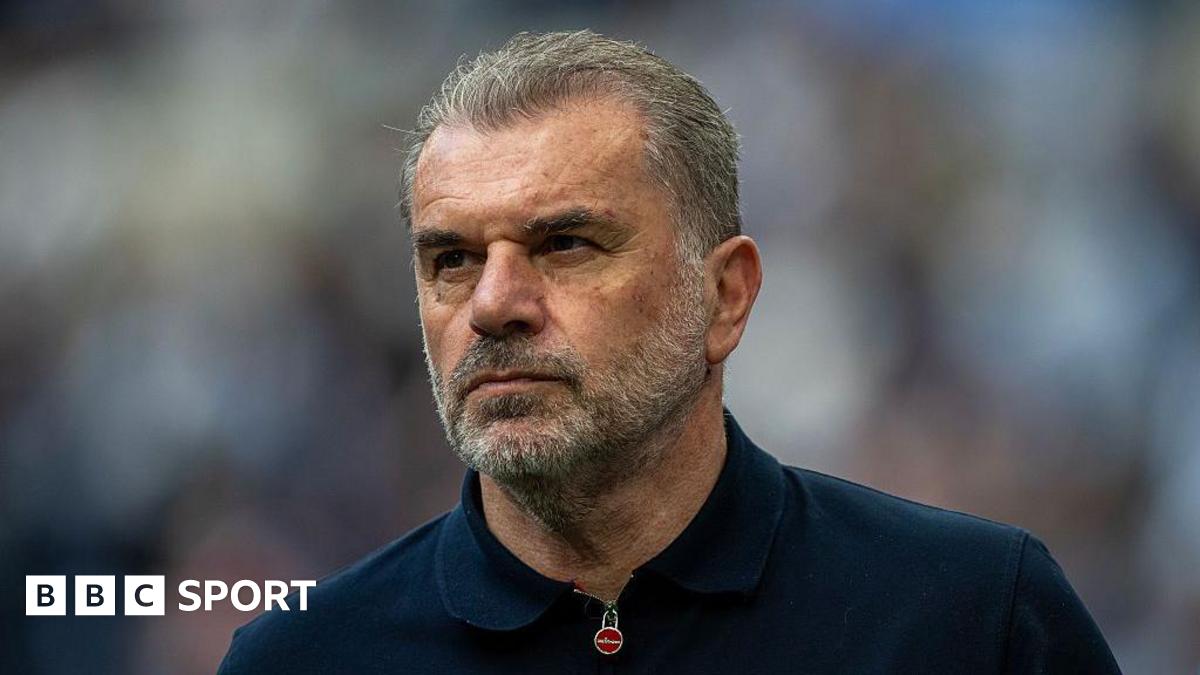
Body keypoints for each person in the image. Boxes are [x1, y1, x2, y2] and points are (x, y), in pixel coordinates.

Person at [218, 30, 1120, 673]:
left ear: (724, 296)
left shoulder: (968, 614)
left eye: (566, 244)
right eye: (451, 258)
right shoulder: (305, 654)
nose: (492, 303)